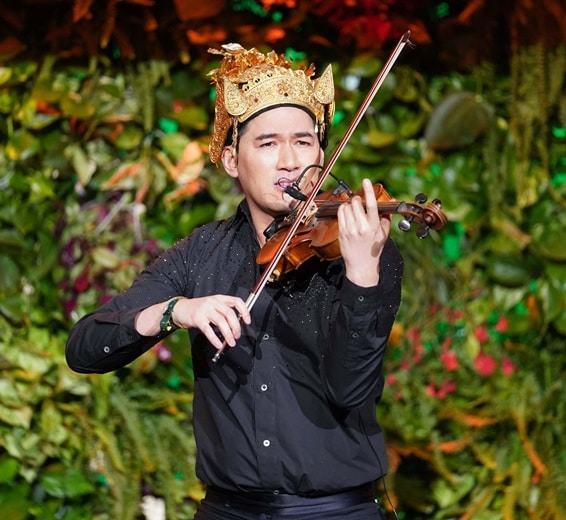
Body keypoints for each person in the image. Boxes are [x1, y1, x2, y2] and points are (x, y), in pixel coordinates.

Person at [66, 43, 404, 520]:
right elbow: (84, 348)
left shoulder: (361, 245)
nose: (289, 160)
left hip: (337, 512)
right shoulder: (199, 254)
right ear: (230, 160)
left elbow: (352, 391)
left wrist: (362, 276)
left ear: (321, 153)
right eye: (268, 144)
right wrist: (175, 310)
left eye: (303, 142)